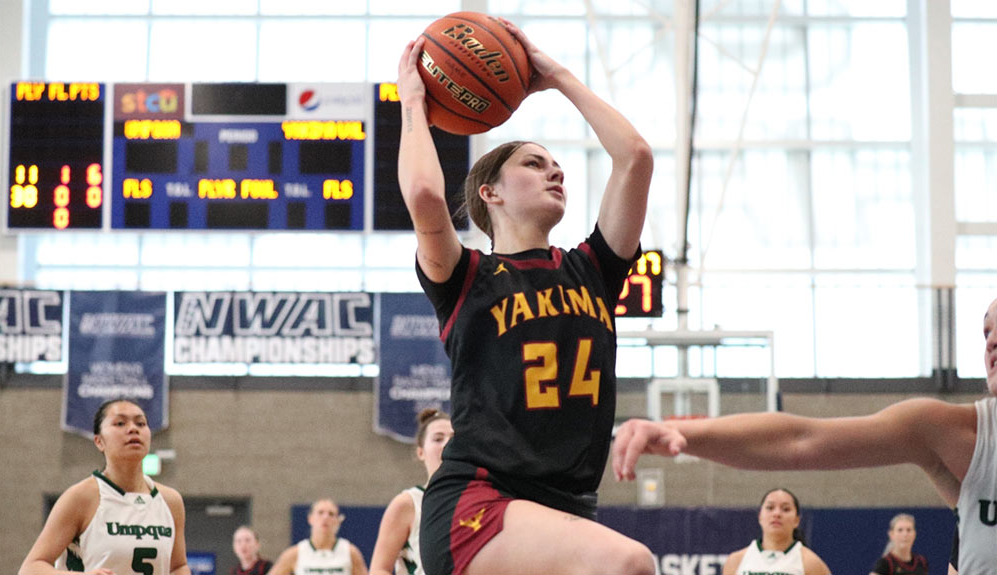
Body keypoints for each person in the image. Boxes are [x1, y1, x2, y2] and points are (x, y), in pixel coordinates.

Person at [397, 14, 655, 575]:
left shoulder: (592, 270)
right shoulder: (466, 277)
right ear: (489, 192)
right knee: (630, 563)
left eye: (557, 166)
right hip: (480, 500)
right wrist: (413, 102)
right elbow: (421, 192)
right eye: (534, 164)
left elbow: (634, 156)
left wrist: (556, 75)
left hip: (567, 506)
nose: (554, 172)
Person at [612, 295, 997, 574]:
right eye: (985, 332)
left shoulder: (809, 565)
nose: (991, 340)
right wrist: (678, 431)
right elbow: (800, 440)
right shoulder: (961, 433)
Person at [18, 398, 191, 575]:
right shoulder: (81, 497)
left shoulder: (170, 501)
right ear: (99, 441)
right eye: (120, 423)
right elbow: (30, 569)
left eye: (141, 423)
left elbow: (178, 566)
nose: (133, 429)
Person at [369, 408, 454, 575]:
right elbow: (379, 569)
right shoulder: (408, 503)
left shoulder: (477, 499)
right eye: (438, 439)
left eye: (453, 438)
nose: (447, 444)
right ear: (421, 452)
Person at [722, 488, 830, 575]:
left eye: (785, 509)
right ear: (760, 516)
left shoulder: (811, 563)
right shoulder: (736, 560)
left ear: (796, 520)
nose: (777, 514)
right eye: (770, 507)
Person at [269, 499, 368, 575]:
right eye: (320, 513)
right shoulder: (296, 553)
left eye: (331, 514)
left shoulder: (350, 552)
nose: (325, 517)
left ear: (337, 521)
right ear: (310, 518)